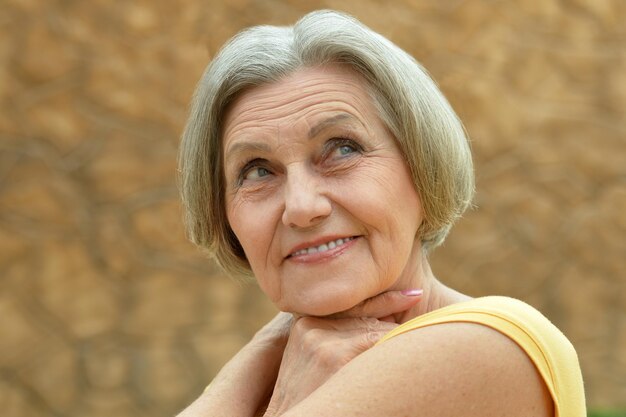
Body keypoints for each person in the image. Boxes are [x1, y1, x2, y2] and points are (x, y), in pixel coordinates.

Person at [176, 10, 585, 417]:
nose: (301, 207)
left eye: (342, 149)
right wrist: (267, 351)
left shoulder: (484, 345)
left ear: (422, 166)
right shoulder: (297, 367)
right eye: (258, 171)